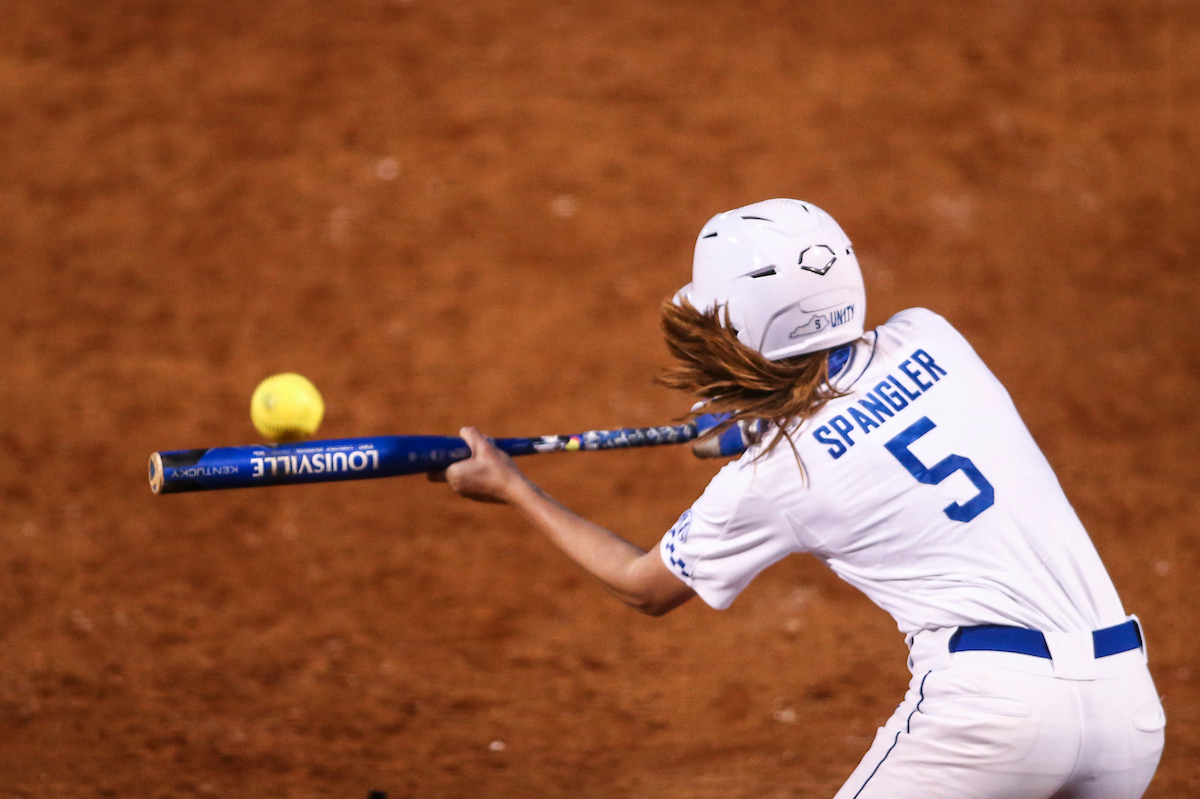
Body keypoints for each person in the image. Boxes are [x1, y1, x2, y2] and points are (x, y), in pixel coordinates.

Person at [432, 199, 1165, 798]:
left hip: (993, 723)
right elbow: (859, 402)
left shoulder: (771, 477)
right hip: (1127, 712)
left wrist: (511, 486)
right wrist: (765, 415)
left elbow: (640, 586)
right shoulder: (934, 338)